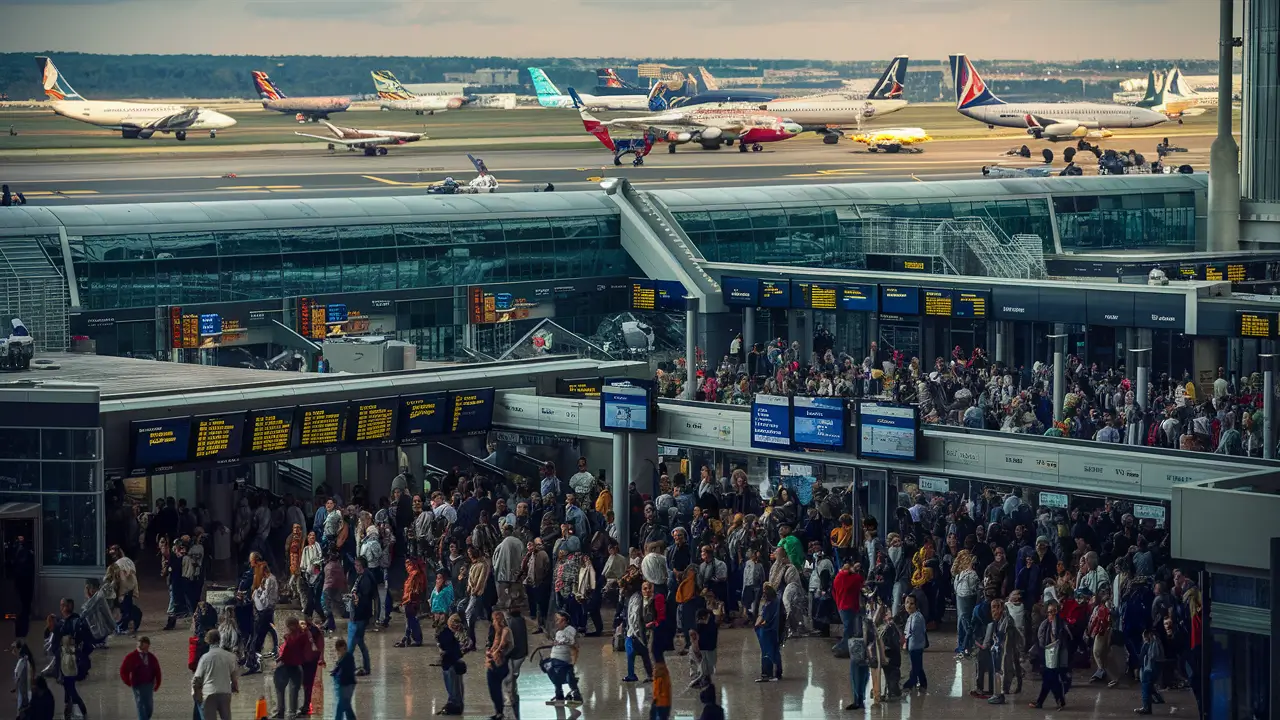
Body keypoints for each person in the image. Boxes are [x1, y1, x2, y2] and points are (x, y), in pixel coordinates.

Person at [1031, 599, 1070, 710]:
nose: (1051, 614)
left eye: (1054, 611)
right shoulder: (1045, 624)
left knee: (1049, 680)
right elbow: (1041, 639)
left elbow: (1064, 640)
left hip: (1058, 657)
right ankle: (1058, 701)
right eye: (1049, 612)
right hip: (1048, 655)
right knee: (1050, 680)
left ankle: (1042, 702)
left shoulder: (1061, 624)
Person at [192, 630, 239, 720]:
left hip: (209, 693)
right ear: (219, 639)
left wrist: (196, 692)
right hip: (225, 692)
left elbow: (197, 678)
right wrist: (234, 686)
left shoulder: (205, 658)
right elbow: (234, 676)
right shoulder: (230, 656)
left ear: (208, 641)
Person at [119, 636, 161, 720]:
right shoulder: (131, 657)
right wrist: (128, 681)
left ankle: (146, 716)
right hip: (137, 684)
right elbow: (123, 670)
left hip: (149, 684)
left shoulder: (151, 658)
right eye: (141, 647)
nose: (144, 649)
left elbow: (157, 671)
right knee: (140, 703)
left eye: (146, 647)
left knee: (149, 704)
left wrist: (157, 684)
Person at [271, 617, 306, 719]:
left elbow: (285, 653)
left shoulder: (291, 638)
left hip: (285, 666)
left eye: (287, 626)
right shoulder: (302, 636)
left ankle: (280, 711)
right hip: (297, 666)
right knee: (294, 689)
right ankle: (293, 712)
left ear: (291, 626)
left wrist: (277, 662)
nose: (286, 628)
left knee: (279, 688)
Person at [546, 611, 583, 706]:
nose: (556, 622)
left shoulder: (570, 630)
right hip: (554, 658)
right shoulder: (558, 632)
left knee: (569, 677)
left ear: (564, 621)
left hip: (564, 660)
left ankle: (576, 695)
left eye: (558, 620)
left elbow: (571, 641)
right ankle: (559, 695)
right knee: (554, 676)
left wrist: (561, 642)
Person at [349, 556, 376, 676]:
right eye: (355, 565)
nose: (356, 567)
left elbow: (365, 597)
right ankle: (366, 667)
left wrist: (356, 598)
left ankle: (347, 668)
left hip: (360, 615)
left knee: (353, 643)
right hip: (359, 614)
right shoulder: (363, 576)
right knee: (359, 642)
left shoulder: (366, 578)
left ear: (362, 566)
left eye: (358, 565)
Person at [485, 610, 513, 720]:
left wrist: (499, 654)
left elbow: (507, 646)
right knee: (493, 690)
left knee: (496, 689)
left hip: (500, 664)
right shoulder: (494, 631)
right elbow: (490, 643)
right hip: (492, 662)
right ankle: (498, 711)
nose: (493, 623)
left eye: (494, 620)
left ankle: (501, 712)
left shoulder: (506, 631)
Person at [437, 614, 465, 716]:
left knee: (454, 687)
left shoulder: (453, 634)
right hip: (451, 664)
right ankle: (454, 704)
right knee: (455, 687)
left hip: (452, 665)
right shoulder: (449, 634)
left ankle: (455, 705)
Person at [754, 584, 782, 682]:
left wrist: (756, 625)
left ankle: (767, 674)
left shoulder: (768, 604)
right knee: (775, 651)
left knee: (767, 652)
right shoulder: (777, 600)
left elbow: (762, 617)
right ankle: (778, 673)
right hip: (775, 630)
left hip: (767, 630)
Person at [503, 608, 529, 715]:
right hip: (522, 653)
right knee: (514, 674)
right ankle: (513, 693)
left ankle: (509, 698)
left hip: (512, 654)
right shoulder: (522, 620)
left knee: (507, 678)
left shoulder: (510, 622)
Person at [397, 557, 427, 648]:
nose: (407, 566)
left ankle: (413, 639)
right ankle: (409, 638)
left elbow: (415, 590)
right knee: (411, 620)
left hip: (411, 601)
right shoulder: (413, 574)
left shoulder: (415, 575)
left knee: (411, 620)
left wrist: (408, 601)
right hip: (410, 601)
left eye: (408, 564)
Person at [1135, 627, 1165, 714]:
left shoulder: (1148, 644)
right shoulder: (1158, 641)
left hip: (1149, 667)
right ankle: (1159, 699)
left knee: (1145, 686)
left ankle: (1146, 708)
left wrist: (1137, 667)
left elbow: (1141, 657)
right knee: (1149, 684)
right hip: (1157, 666)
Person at [901, 595, 928, 694]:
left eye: (911, 603)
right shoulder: (912, 616)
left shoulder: (917, 618)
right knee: (918, 666)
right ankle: (923, 683)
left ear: (916, 605)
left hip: (915, 647)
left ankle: (909, 684)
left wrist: (905, 642)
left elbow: (912, 633)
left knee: (915, 667)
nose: (908, 605)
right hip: (915, 646)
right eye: (907, 602)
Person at [330, 638, 357, 720]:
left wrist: (337, 667)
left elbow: (343, 667)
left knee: (343, 704)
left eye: (340, 649)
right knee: (344, 704)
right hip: (346, 683)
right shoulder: (345, 656)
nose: (339, 651)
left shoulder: (347, 657)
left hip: (347, 683)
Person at [12, 640, 32, 715]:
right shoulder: (26, 660)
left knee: (21, 710)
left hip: (23, 691)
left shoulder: (22, 662)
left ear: (19, 649)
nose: (13, 651)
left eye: (14, 648)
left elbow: (17, 676)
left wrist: (14, 687)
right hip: (25, 690)